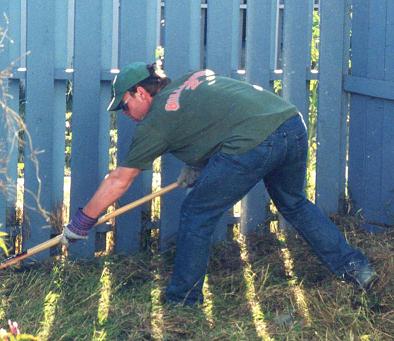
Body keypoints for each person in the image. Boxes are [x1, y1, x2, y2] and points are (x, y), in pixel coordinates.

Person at [64, 62, 378, 306]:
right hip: (288, 123)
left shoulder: (157, 119)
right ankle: (355, 268)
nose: (127, 113)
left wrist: (83, 220)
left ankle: (182, 299)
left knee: (196, 215)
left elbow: (120, 179)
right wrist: (198, 164)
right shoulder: (189, 81)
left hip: (253, 142)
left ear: (141, 93)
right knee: (294, 203)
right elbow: (216, 117)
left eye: (125, 104)